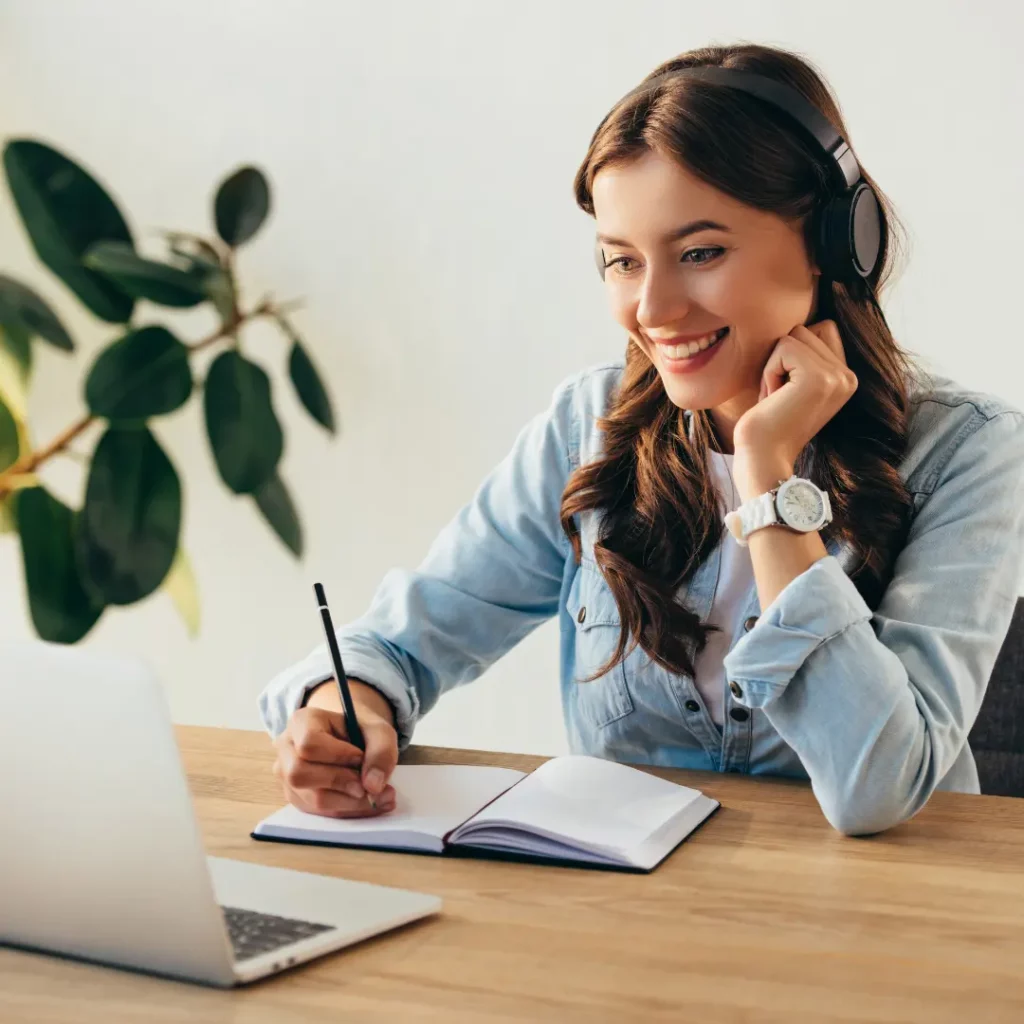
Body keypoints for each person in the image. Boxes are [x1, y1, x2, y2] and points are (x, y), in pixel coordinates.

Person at [259, 42, 1024, 837]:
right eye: (621, 262)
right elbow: (406, 639)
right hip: (634, 920)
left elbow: (879, 787)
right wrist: (344, 707)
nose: (653, 308)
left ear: (834, 245)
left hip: (890, 928)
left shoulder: (970, 454)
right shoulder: (586, 425)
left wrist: (767, 480)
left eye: (700, 253)